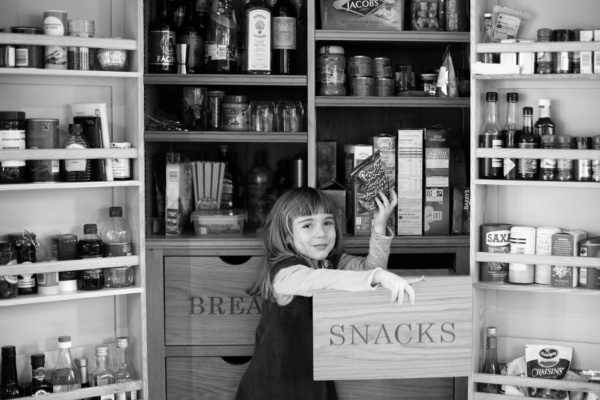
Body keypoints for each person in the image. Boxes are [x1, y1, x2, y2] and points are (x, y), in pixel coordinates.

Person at [236, 187, 424, 400]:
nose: (321, 233)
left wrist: (379, 225)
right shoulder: (284, 274)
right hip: (274, 386)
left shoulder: (331, 261)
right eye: (307, 225)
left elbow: (368, 270)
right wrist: (379, 277)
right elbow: (324, 281)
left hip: (313, 376)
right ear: (287, 236)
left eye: (327, 222)